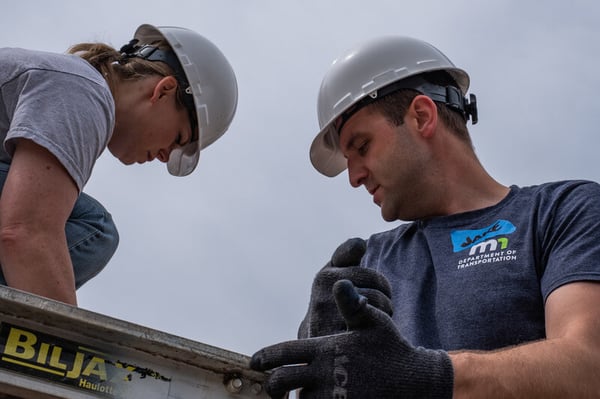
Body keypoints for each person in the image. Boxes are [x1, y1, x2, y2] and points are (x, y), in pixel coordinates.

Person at [250, 36, 600, 398]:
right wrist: (320, 355)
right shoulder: (367, 264)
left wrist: (427, 377)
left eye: (362, 146)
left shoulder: (562, 212)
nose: (353, 176)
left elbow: (590, 365)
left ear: (421, 116)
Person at [0, 24, 238, 306]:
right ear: (163, 91)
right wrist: (65, 346)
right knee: (94, 227)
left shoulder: (75, 88)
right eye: (179, 138)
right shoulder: (81, 92)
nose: (165, 157)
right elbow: (27, 232)